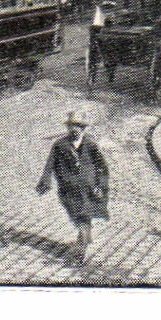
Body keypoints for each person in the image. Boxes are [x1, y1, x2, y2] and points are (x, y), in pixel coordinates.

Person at [37, 110, 109, 262]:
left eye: (78, 126)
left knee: (83, 216)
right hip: (68, 190)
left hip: (87, 189)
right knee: (77, 215)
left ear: (83, 129)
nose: (75, 129)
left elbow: (102, 167)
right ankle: (84, 237)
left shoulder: (90, 145)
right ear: (67, 128)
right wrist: (45, 180)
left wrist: (100, 185)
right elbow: (50, 164)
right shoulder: (60, 145)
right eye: (72, 126)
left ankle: (80, 250)